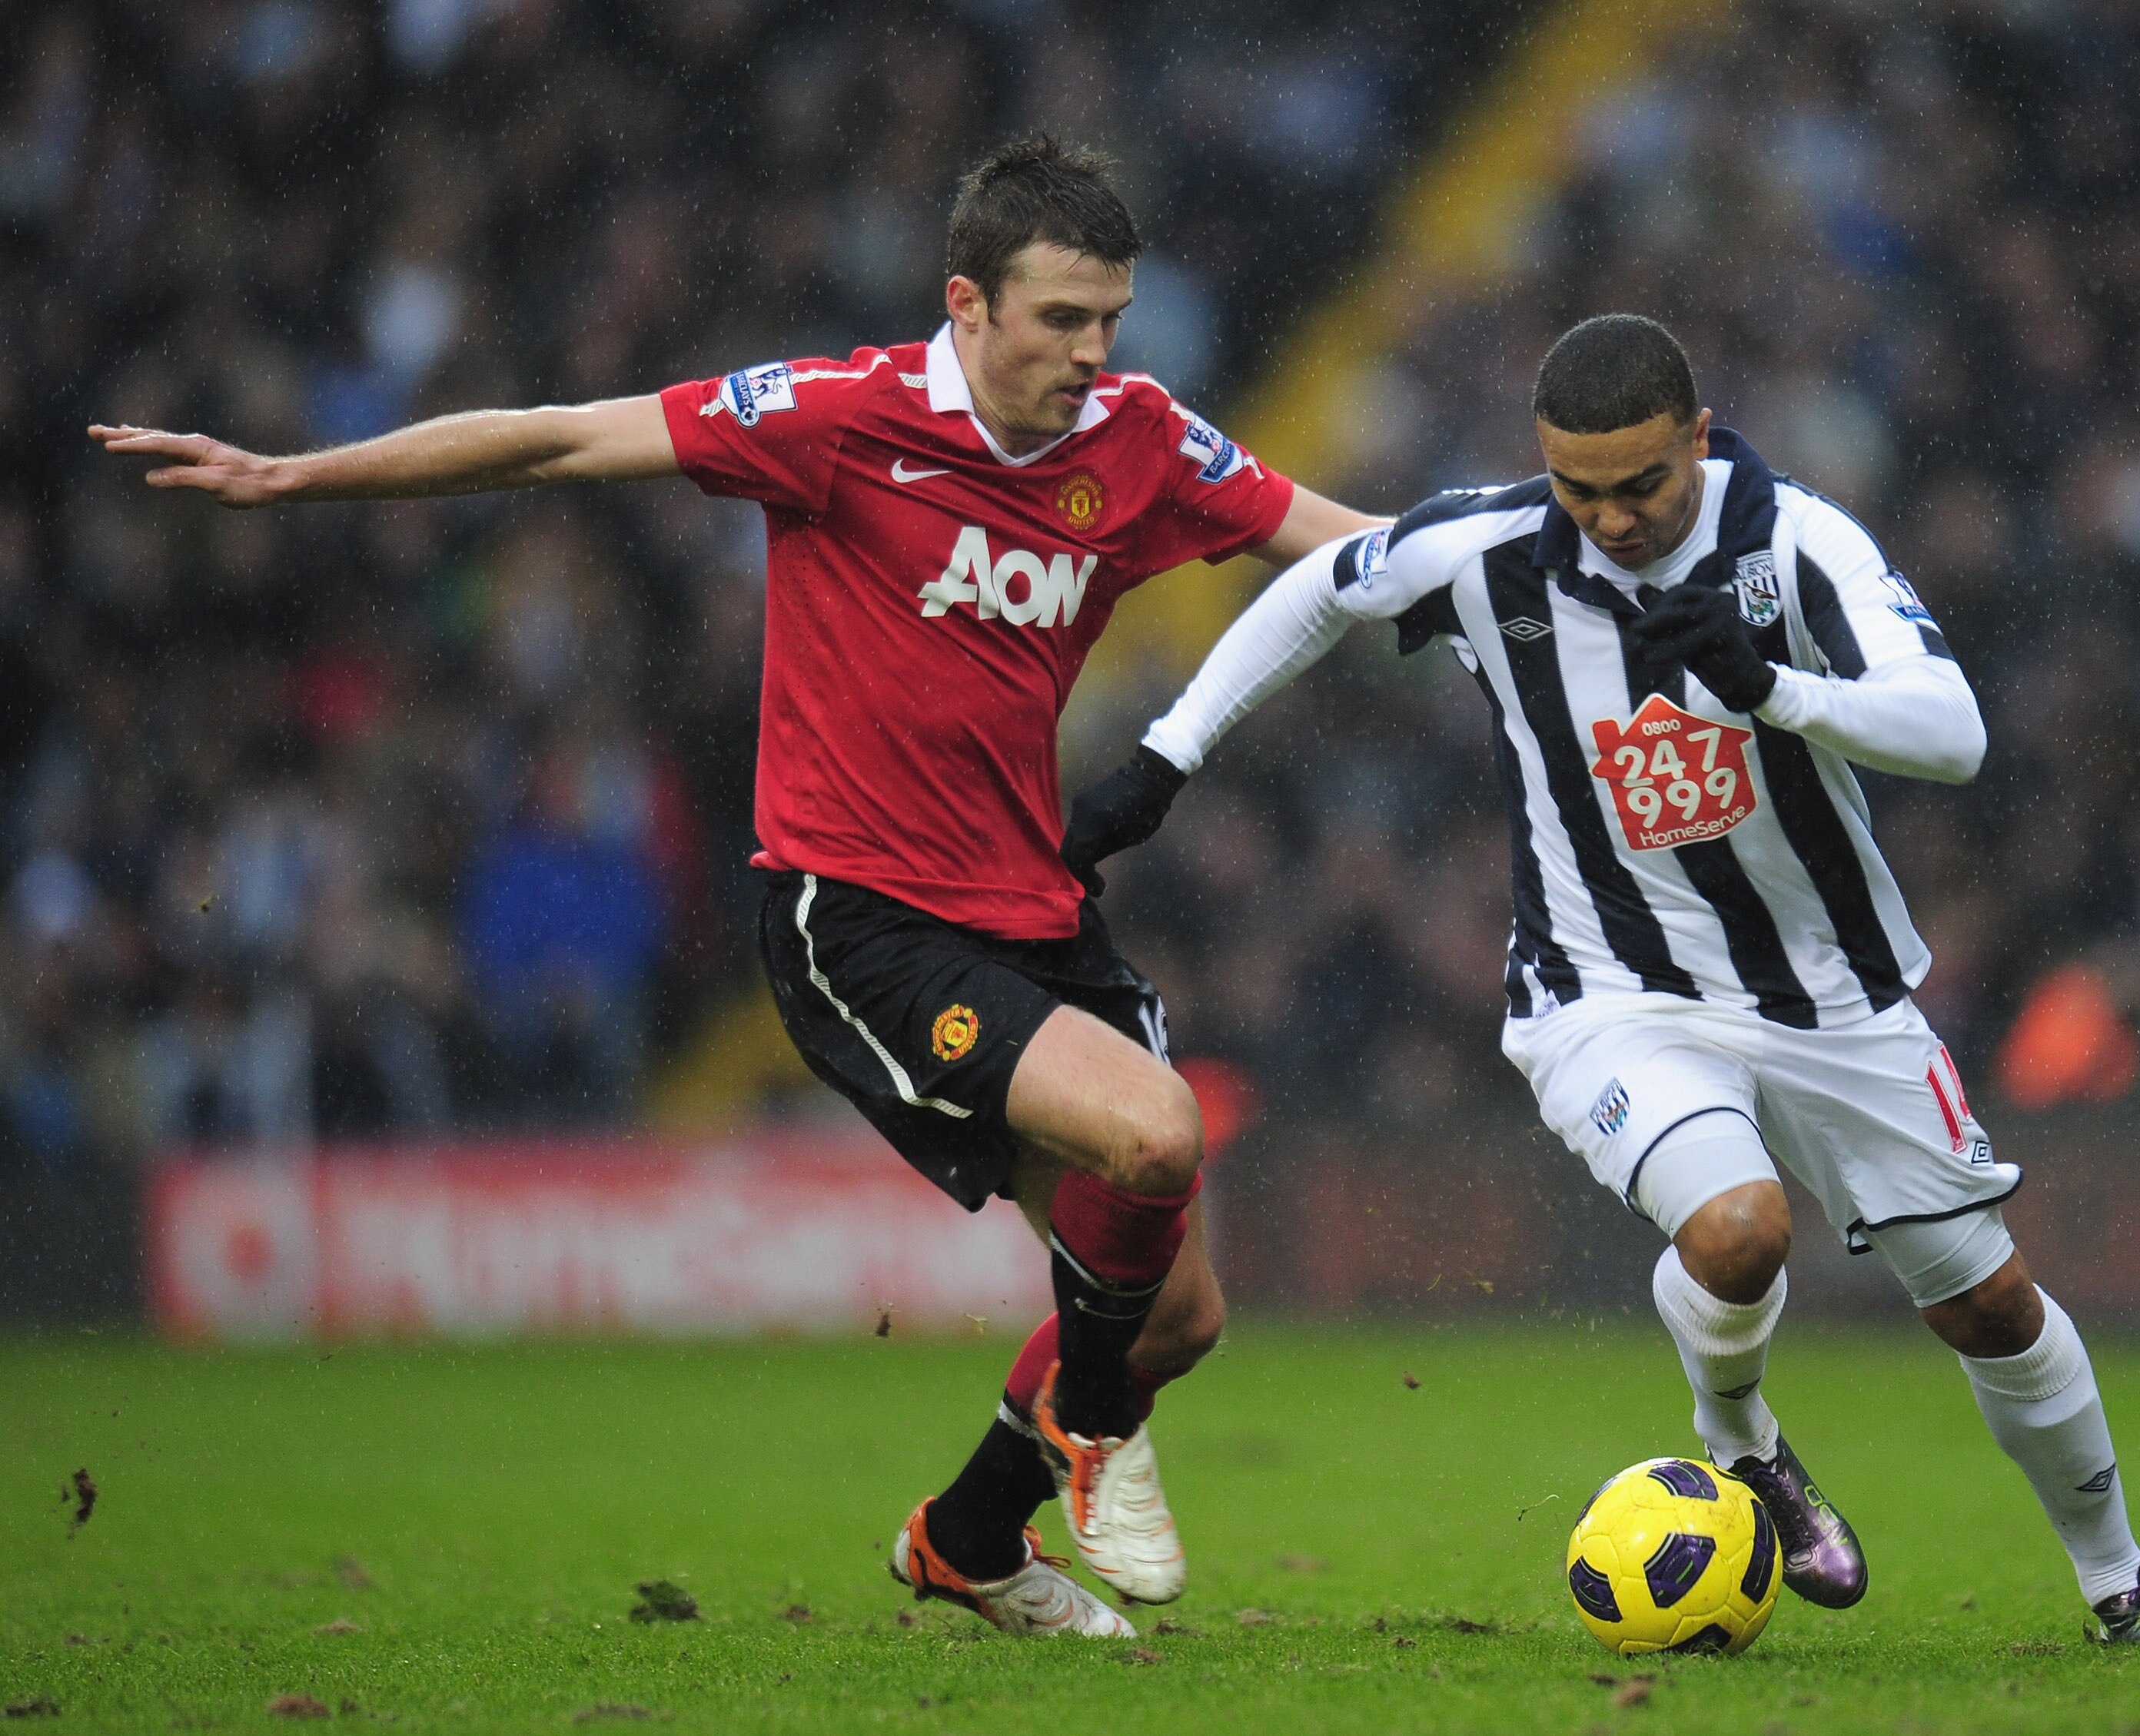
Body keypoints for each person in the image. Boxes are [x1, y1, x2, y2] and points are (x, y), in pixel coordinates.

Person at [92, 135, 1382, 1639]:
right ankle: (1092, 1430)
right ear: (967, 304)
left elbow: (1348, 549)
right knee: (1158, 1135)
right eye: (1061, 321)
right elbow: (563, 440)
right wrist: (299, 476)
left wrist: (1563, 581)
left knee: (1177, 1312)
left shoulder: (1142, 441)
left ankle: (968, 1536)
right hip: (859, 917)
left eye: (1111, 321)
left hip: (1032, 911)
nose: (1094, 356)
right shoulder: (837, 419)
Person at [1064, 314, 2140, 1648]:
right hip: (1605, 992)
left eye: (1641, 486)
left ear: (1696, 434)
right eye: (1580, 488)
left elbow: (1953, 731)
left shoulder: (1799, 541)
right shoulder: (1492, 546)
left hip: (1831, 992)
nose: (1611, 519)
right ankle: (1744, 1450)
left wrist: (1778, 690)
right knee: (1737, 1231)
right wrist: (1167, 755)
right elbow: (1326, 585)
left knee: (1989, 1303)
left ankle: (2121, 1585)